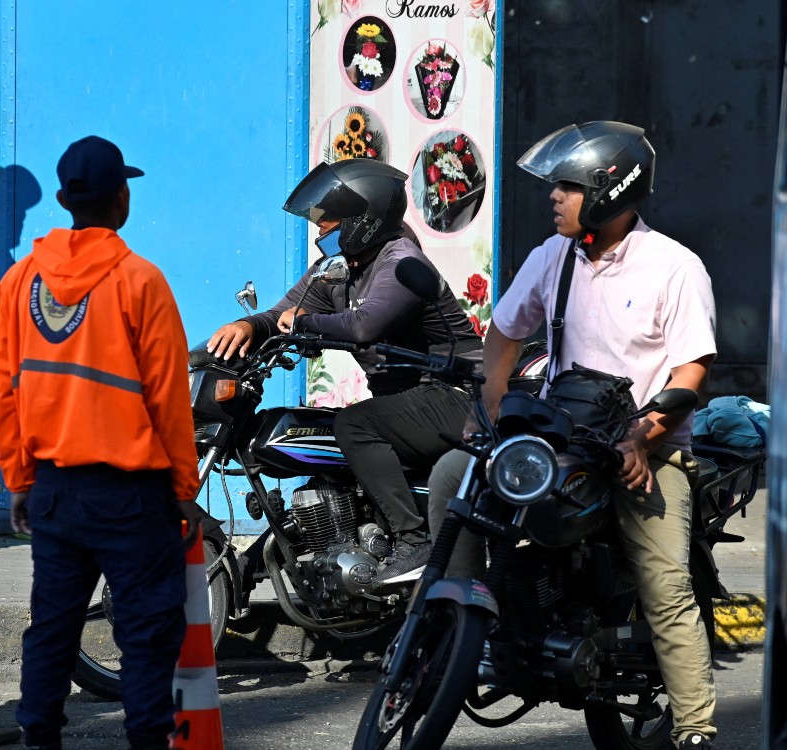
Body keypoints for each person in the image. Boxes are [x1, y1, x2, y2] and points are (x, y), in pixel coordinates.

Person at [426, 121, 718, 750]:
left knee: (664, 583)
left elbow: (692, 368)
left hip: (647, 447)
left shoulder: (674, 266)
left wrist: (643, 434)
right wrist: (497, 405)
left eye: (567, 186)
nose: (553, 197)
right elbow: (504, 333)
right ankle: (466, 624)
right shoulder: (552, 258)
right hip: (563, 438)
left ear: (610, 191)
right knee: (456, 473)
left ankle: (696, 727)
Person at [0, 135, 199, 750]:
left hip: (55, 490)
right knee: (146, 632)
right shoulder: (141, 281)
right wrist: (184, 490)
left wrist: (20, 480)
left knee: (52, 628)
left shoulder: (21, 281)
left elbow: (5, 392)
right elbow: (168, 399)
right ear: (123, 198)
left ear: (61, 199)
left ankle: (39, 738)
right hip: (132, 497)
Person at [207, 159, 481, 586]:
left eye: (327, 218)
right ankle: (273, 562)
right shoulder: (341, 266)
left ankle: (414, 543)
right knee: (325, 445)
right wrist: (247, 327)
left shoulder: (402, 262)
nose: (318, 229)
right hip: (406, 403)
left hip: (455, 396)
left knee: (353, 425)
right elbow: (282, 313)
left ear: (364, 220)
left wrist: (303, 324)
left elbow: (363, 324)